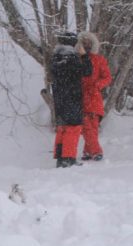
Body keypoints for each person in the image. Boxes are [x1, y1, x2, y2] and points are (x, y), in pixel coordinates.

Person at [50, 30, 91, 168]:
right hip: (72, 97)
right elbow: (87, 71)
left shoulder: (55, 58)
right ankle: (69, 158)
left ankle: (60, 158)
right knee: (73, 127)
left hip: (59, 98)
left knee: (62, 128)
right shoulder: (72, 58)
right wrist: (84, 56)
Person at [78, 32, 112, 162]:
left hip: (94, 97)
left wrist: (97, 85)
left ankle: (88, 151)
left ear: (93, 44)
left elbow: (107, 77)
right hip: (80, 97)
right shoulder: (76, 59)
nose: (86, 45)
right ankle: (96, 151)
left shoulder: (99, 60)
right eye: (84, 42)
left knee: (92, 127)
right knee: (86, 126)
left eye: (88, 42)